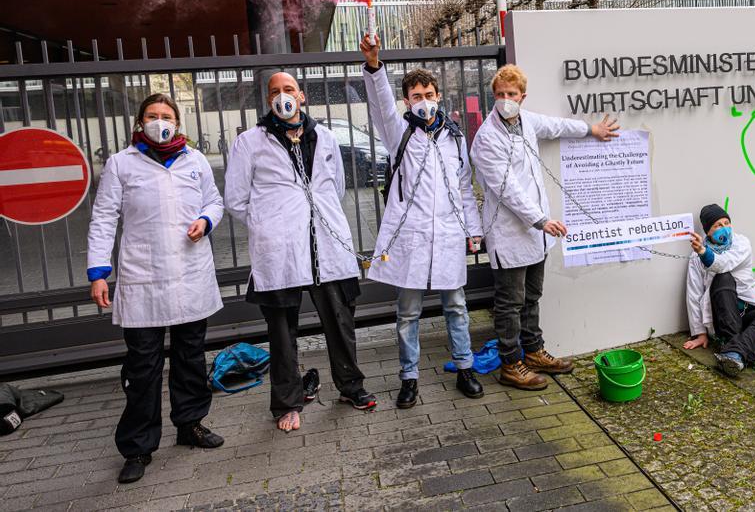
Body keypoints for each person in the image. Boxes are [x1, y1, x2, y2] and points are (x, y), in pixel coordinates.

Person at [224, 71, 377, 433]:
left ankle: (350, 387)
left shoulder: (323, 136)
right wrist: (271, 223)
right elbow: (235, 199)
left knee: (341, 323)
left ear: (302, 96)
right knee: (281, 332)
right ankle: (288, 403)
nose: (283, 96)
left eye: (288, 89)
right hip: (280, 252)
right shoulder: (250, 142)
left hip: (327, 246)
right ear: (268, 101)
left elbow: (335, 186)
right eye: (275, 92)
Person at [87, 93, 225, 484]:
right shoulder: (120, 164)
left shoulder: (195, 161)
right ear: (139, 122)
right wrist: (98, 271)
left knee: (191, 356)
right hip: (143, 278)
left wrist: (205, 220)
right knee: (143, 366)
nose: (159, 122)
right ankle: (137, 447)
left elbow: (215, 201)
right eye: (152, 115)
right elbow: (103, 218)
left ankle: (190, 424)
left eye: (166, 116)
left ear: (177, 123)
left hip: (189, 273)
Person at [470, 65, 620, 390]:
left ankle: (533, 351)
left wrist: (591, 130)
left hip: (538, 233)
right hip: (512, 232)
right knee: (510, 302)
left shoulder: (526, 121)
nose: (505, 100)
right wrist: (541, 220)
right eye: (500, 95)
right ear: (493, 96)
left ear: (522, 97)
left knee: (532, 296)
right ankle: (511, 364)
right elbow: (507, 188)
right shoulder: (486, 138)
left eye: (511, 95)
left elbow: (555, 126)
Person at [360, 35, 485, 409]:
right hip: (411, 238)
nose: (425, 102)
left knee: (457, 307)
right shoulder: (400, 134)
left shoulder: (454, 137)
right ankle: (409, 378)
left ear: (438, 96)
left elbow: (464, 186)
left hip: (447, 235)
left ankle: (465, 368)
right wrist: (373, 64)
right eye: (416, 96)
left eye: (429, 94)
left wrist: (474, 230)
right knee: (408, 313)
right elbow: (380, 105)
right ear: (407, 102)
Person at [683, 203, 755, 377]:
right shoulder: (697, 256)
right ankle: (738, 346)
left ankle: (734, 354)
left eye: (726, 223)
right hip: (723, 319)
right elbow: (694, 293)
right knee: (723, 279)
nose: (724, 228)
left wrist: (704, 252)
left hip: (747, 310)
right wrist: (700, 334)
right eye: (717, 225)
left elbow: (724, 262)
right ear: (708, 231)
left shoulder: (741, 243)